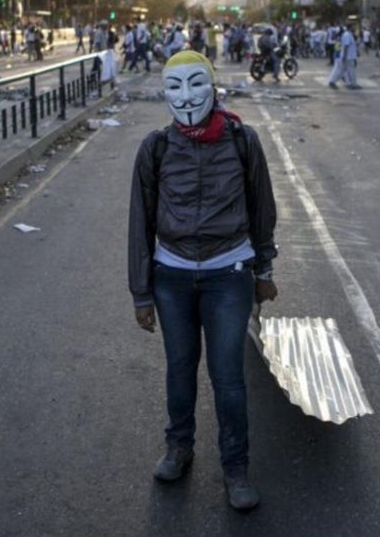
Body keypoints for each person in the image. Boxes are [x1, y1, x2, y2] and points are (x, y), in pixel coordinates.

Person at [128, 50, 278, 512]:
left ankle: (236, 469)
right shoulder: (155, 148)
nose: (187, 96)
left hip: (229, 273)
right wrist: (142, 291)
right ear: (164, 92)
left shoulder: (241, 140)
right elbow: (141, 222)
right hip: (171, 276)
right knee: (179, 367)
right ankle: (179, 447)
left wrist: (264, 269)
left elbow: (261, 208)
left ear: (213, 87)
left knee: (228, 377)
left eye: (196, 84)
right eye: (175, 86)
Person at [328, 24, 359, 89]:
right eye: (353, 27)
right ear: (350, 27)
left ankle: (333, 82)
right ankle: (352, 84)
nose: (354, 28)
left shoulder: (349, 34)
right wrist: (344, 56)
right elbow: (346, 46)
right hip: (348, 56)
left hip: (349, 56)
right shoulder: (347, 35)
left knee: (343, 70)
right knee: (348, 70)